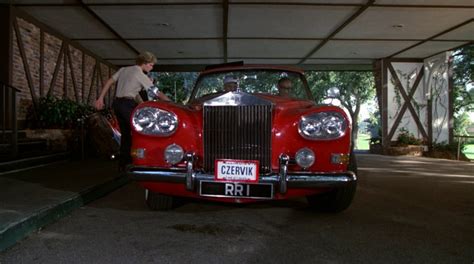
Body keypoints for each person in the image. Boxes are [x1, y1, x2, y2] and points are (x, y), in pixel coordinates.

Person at [94, 51, 170, 171]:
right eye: (150, 64)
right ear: (144, 63)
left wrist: (100, 98)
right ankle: (140, 159)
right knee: (139, 131)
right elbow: (156, 92)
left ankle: (124, 163)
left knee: (126, 134)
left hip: (117, 104)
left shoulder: (124, 70)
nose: (152, 67)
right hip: (127, 105)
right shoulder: (140, 74)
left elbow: (111, 82)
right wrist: (171, 102)